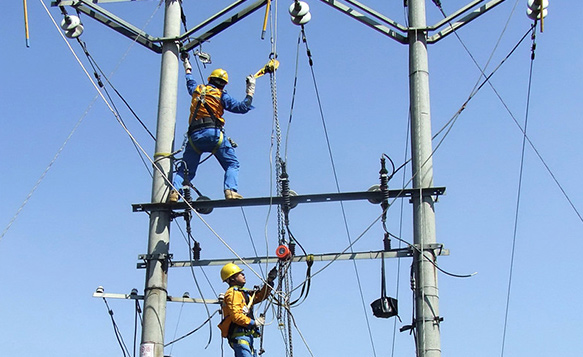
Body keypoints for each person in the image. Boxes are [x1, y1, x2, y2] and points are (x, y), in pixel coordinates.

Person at [171, 54, 256, 201]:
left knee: (185, 170)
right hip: (213, 134)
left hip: (194, 137)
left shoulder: (197, 89)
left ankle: (175, 192)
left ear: (210, 79)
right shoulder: (221, 95)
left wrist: (187, 64)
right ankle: (230, 191)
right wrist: (250, 90)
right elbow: (242, 107)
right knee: (232, 163)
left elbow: (189, 80)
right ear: (224, 84)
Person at [218, 263, 277, 357]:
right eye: (239, 273)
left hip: (247, 336)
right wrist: (254, 323)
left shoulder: (242, 293)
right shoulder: (233, 294)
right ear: (232, 278)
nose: (243, 275)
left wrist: (269, 281)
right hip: (240, 336)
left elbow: (260, 296)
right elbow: (236, 316)